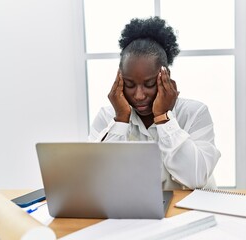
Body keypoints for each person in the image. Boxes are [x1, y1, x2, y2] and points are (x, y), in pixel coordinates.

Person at [89, 16, 221, 190]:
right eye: (129, 84)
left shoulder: (195, 113)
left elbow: (196, 178)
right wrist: (120, 119)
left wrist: (163, 118)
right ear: (119, 80)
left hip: (190, 212)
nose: (139, 95)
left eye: (149, 84)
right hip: (135, 212)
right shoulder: (107, 116)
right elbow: (96, 179)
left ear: (165, 77)